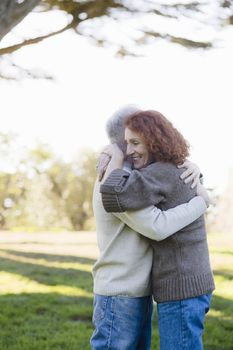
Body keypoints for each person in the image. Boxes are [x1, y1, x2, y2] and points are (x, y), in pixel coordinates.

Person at [90, 106, 210, 350]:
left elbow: (172, 179)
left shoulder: (138, 174)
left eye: (139, 139)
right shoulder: (115, 179)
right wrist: (201, 203)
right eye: (130, 141)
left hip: (138, 290)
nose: (134, 146)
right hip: (119, 290)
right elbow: (156, 226)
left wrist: (194, 169)